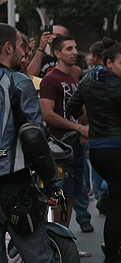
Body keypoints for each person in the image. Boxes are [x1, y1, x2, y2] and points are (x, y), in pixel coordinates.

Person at [0, 25, 110, 263]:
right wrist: (51, 183)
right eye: (22, 47)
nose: (26, 53)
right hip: (14, 186)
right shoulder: (17, 83)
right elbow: (33, 136)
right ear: (7, 47)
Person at [68, 41, 121, 263]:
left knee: (116, 199)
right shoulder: (118, 86)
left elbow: (72, 108)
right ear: (109, 62)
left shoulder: (87, 80)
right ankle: (113, 257)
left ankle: (112, 246)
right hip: (119, 148)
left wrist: (92, 121)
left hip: (97, 150)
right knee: (118, 203)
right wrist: (120, 122)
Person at [38, 34, 93, 233]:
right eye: (69, 49)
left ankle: (65, 240)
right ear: (57, 53)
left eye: (75, 48)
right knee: (58, 194)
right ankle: (56, 241)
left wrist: (85, 127)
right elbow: (47, 114)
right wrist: (77, 127)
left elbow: (79, 114)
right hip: (58, 145)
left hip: (76, 145)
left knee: (73, 193)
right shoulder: (50, 79)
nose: (75, 52)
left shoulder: (74, 79)